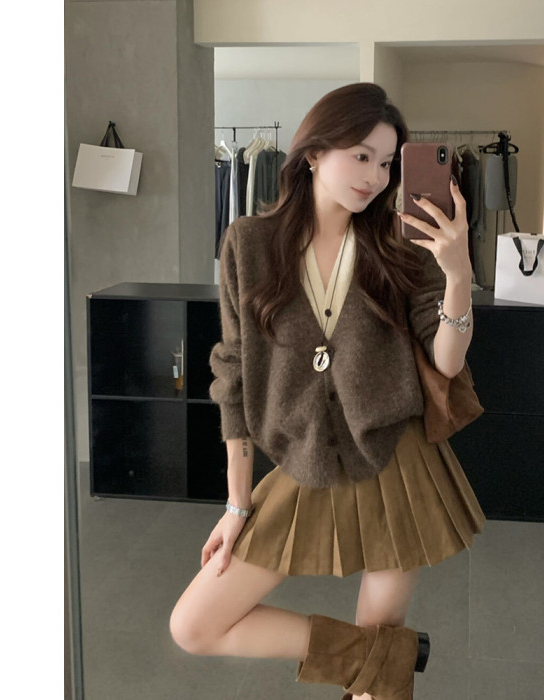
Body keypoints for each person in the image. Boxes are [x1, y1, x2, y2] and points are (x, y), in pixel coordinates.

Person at [169, 83, 485, 700]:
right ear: (313, 152)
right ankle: (393, 658)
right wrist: (237, 505)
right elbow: (232, 376)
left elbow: (447, 361)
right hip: (305, 457)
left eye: (387, 162)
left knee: (371, 686)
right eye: (361, 155)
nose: (375, 176)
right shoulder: (249, 244)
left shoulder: (401, 244)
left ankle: (385, 664)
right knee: (195, 625)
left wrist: (458, 275)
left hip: (397, 459)